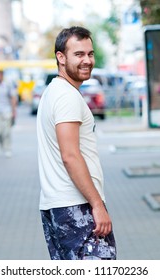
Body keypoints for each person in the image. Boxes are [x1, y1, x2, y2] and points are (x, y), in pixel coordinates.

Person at [37, 26, 116, 260]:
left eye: (90, 54)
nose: (87, 61)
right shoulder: (66, 97)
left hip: (58, 207)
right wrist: (97, 205)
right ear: (61, 58)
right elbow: (70, 156)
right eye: (78, 54)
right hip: (76, 207)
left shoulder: (54, 92)